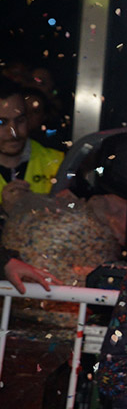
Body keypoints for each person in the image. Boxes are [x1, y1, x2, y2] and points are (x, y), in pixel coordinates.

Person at [0, 76, 64, 293]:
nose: (14, 132)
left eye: (20, 120)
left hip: (50, 290)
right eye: (1, 123)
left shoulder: (57, 162)